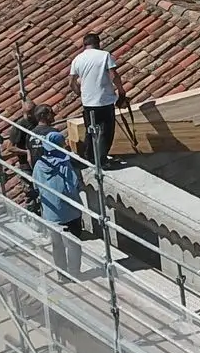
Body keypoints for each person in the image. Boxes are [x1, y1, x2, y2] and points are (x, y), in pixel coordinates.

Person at [33, 125, 84, 278]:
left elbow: (35, 185)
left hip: (50, 213)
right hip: (70, 211)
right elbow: (72, 186)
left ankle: (61, 274)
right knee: (74, 244)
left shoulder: (38, 165)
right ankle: (74, 273)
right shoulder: (65, 165)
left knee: (57, 244)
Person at [69, 33, 125, 169]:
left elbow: (71, 82)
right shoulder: (104, 55)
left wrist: (80, 93)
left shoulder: (78, 59)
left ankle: (90, 157)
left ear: (84, 45)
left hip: (88, 103)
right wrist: (121, 91)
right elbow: (113, 75)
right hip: (104, 101)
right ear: (98, 44)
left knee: (91, 130)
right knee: (106, 132)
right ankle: (102, 161)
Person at [9, 103, 54, 210]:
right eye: (29, 113)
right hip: (26, 166)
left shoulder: (37, 124)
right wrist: (28, 152)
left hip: (40, 162)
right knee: (30, 194)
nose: (31, 115)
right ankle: (34, 215)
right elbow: (10, 148)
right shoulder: (19, 126)